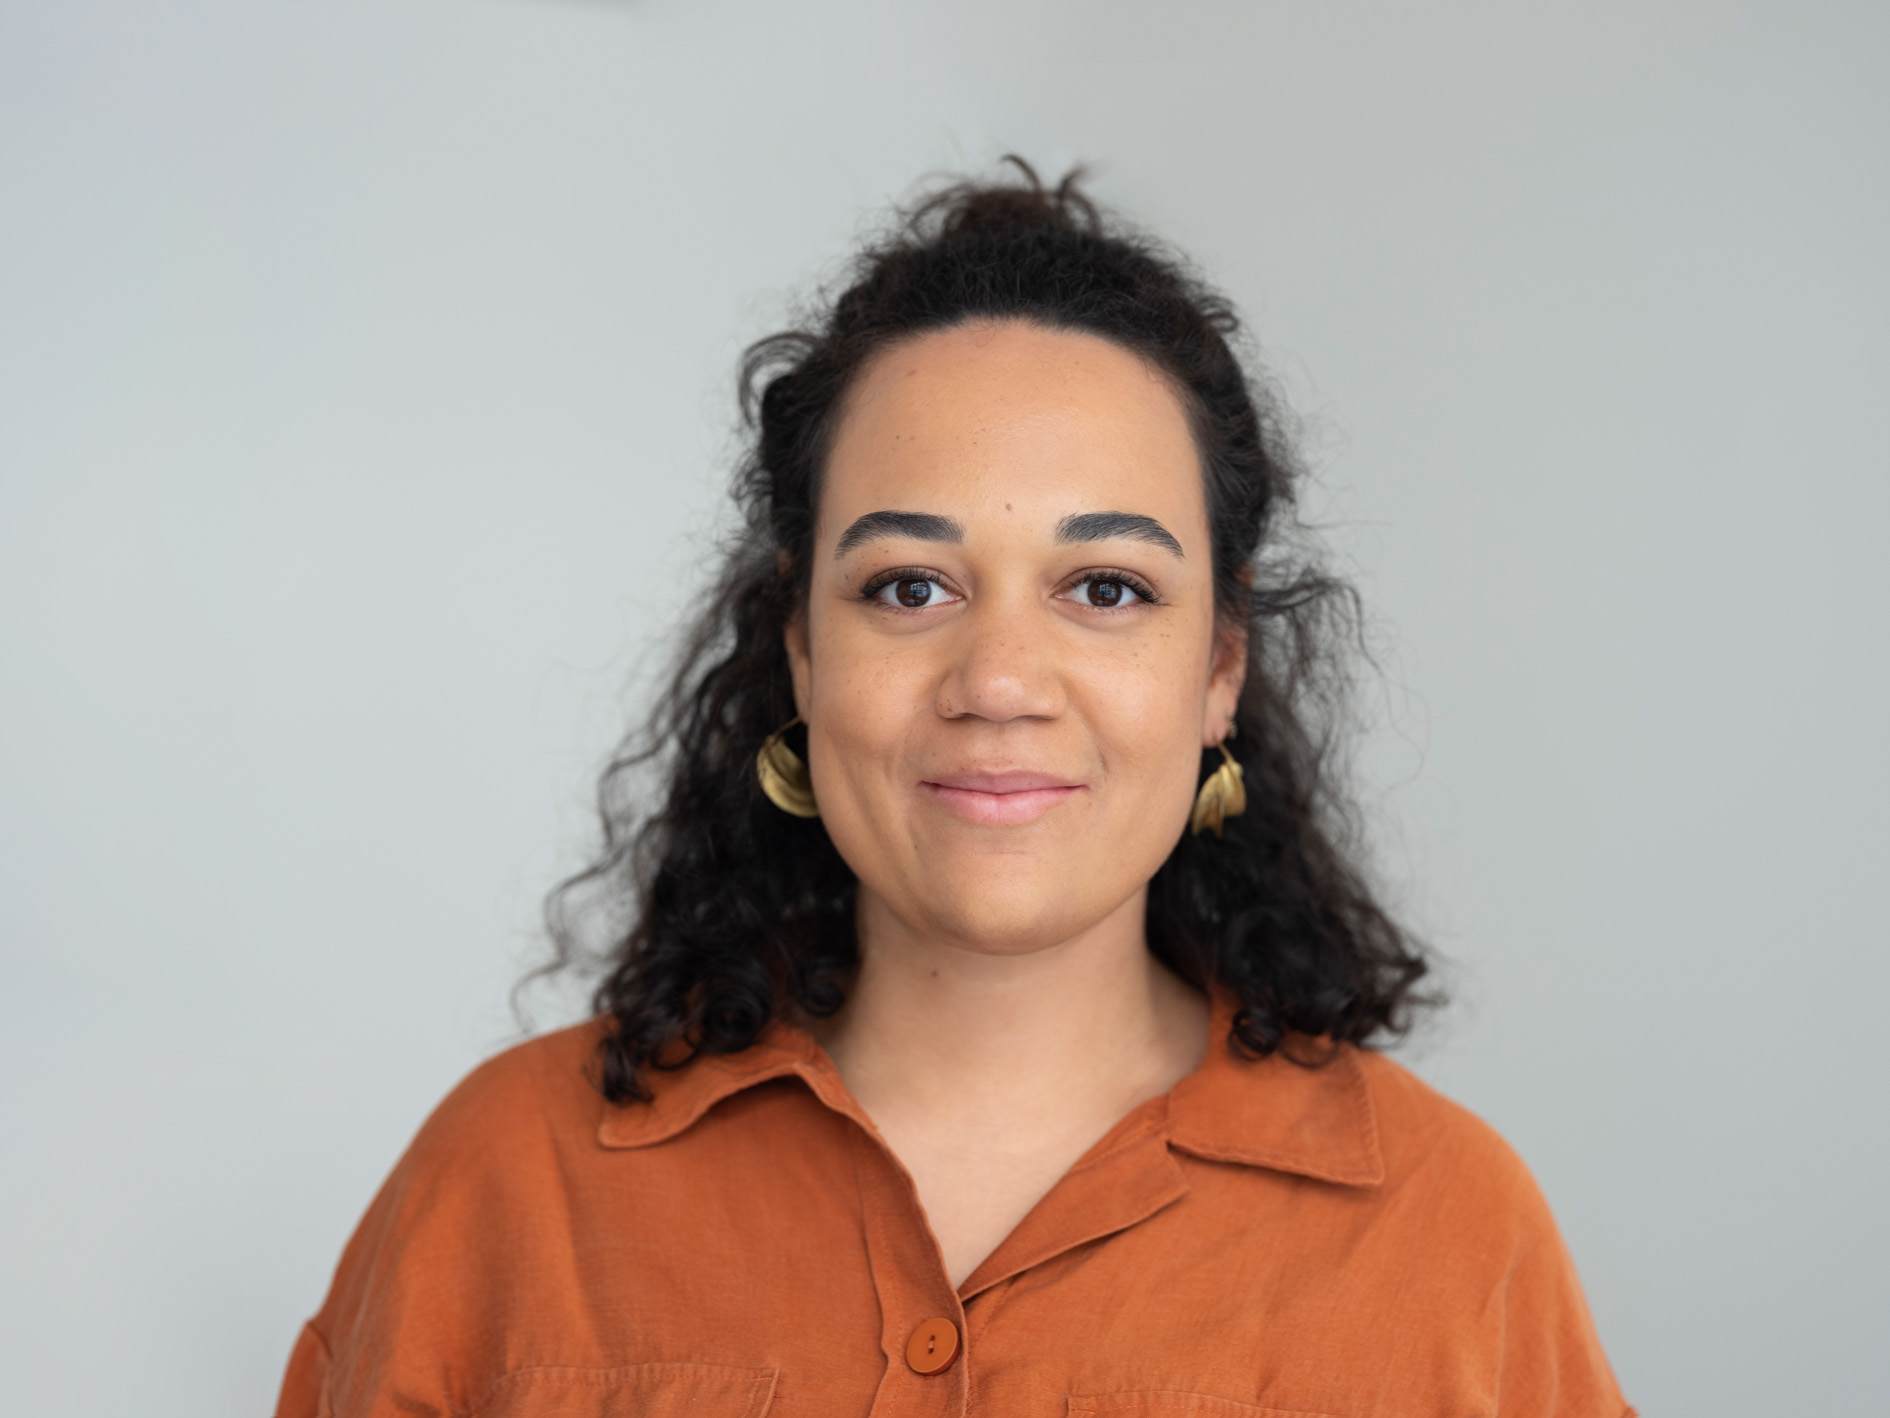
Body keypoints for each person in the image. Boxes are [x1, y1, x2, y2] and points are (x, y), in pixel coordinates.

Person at [275, 161, 1632, 1418]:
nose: (999, 680)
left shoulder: (1450, 1234)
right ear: (803, 652)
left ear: (1219, 669)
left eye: (1108, 588)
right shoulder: (505, 1184)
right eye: (909, 588)